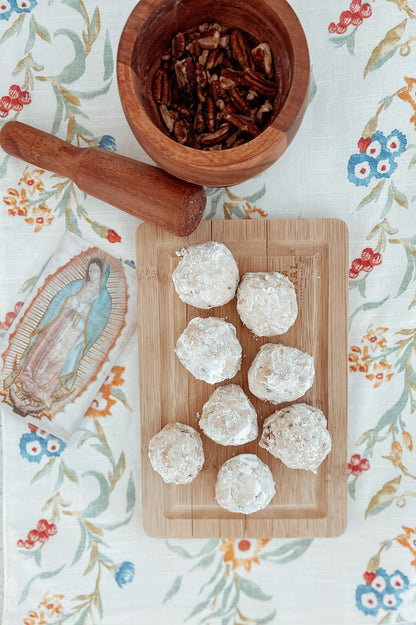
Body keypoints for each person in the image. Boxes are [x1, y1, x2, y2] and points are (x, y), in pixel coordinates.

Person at [9, 258, 112, 416]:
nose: (92, 274)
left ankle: (43, 390)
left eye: (96, 271)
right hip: (60, 324)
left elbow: (98, 324)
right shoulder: (78, 284)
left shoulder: (104, 298)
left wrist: (85, 311)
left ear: (102, 274)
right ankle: (27, 380)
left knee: (58, 360)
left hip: (76, 333)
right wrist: (71, 303)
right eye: (90, 270)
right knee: (43, 351)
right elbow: (59, 300)